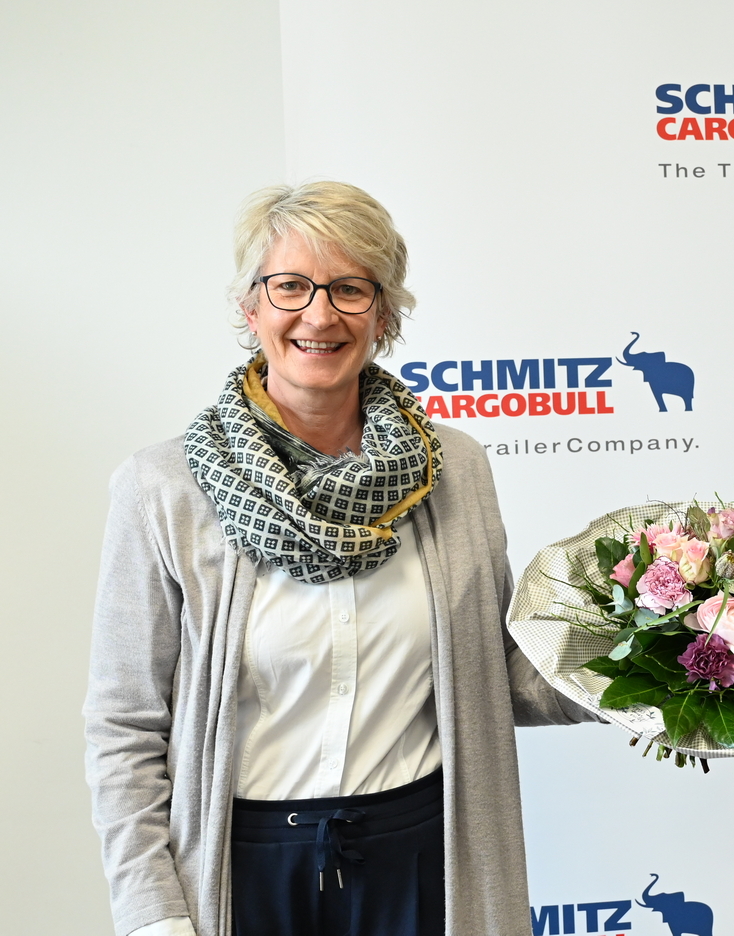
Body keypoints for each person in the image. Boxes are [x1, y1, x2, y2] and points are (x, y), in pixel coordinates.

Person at [83, 181, 594, 936]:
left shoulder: (455, 468)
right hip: (246, 871)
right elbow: (124, 725)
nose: (319, 315)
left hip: (426, 862)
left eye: (350, 289)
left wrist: (654, 671)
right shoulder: (163, 488)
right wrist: (152, 915)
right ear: (250, 308)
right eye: (290, 286)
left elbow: (498, 674)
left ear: (383, 315)